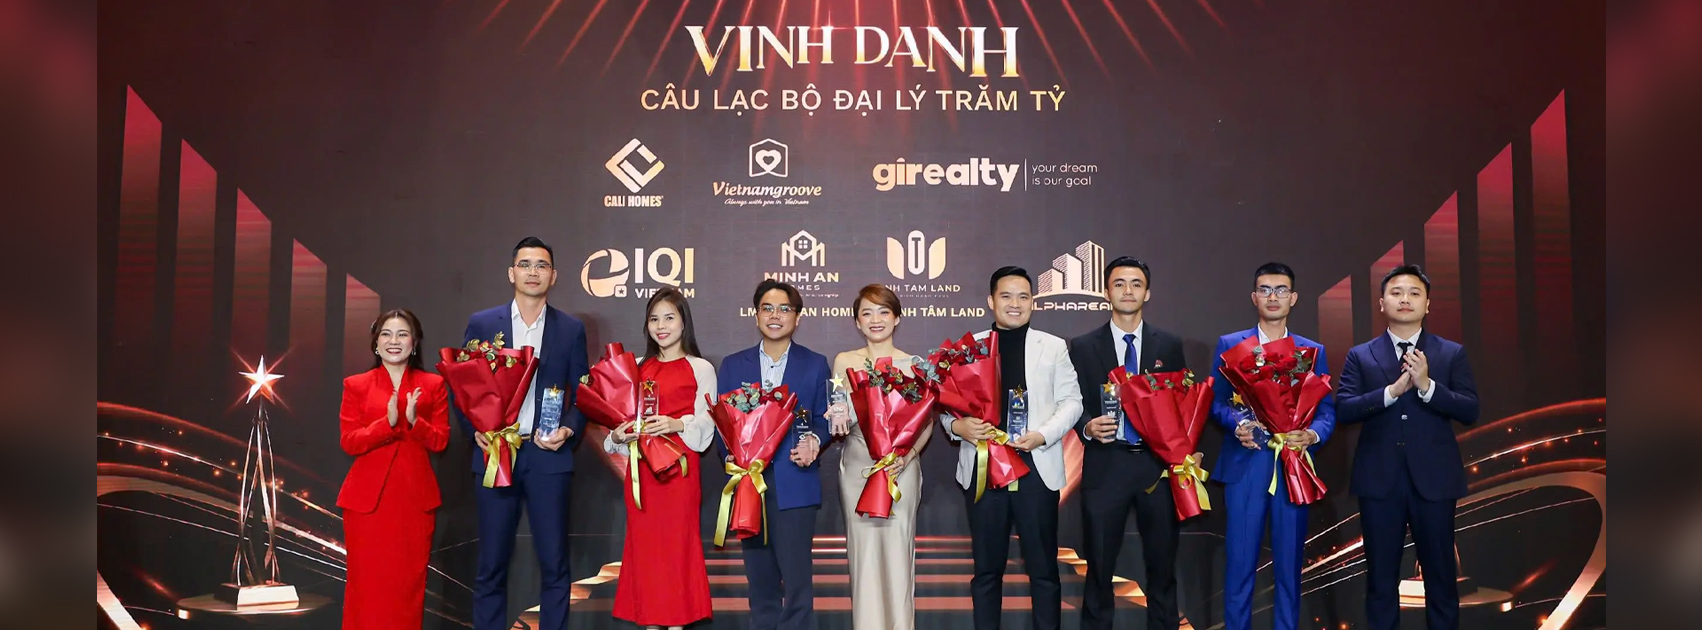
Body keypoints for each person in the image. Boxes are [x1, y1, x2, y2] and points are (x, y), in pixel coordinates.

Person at [1337, 264, 1479, 630]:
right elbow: (1345, 410)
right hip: (1379, 481)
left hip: (1435, 481)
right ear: (1382, 303)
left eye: (1414, 293)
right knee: (1381, 579)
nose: (1405, 299)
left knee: (1441, 577)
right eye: (1396, 292)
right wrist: (1391, 392)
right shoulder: (1361, 355)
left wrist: (1428, 386)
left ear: (1427, 304)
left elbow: (1470, 410)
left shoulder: (1450, 353)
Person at [459, 237, 590, 630]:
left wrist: (569, 428)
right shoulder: (483, 324)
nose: (533, 272)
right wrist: (475, 430)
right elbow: (462, 387)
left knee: (555, 564)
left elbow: (584, 393)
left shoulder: (570, 329)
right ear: (511, 272)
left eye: (542, 265)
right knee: (491, 563)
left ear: (554, 275)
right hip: (497, 452)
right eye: (525, 264)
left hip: (548, 455)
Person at [944, 267, 1082, 630]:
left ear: (1033, 302)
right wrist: (958, 427)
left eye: (1023, 296)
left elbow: (1072, 402)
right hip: (984, 469)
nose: (1015, 304)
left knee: (1044, 571)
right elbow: (944, 406)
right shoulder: (968, 348)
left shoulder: (1053, 346)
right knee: (987, 572)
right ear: (991, 301)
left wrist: (1043, 435)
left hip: (1036, 466)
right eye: (1006, 296)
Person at [1207, 262, 1337, 630]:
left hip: (1292, 467)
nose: (1273, 296)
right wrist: (1239, 424)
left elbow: (1326, 410)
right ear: (1254, 297)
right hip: (1245, 465)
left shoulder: (1311, 350)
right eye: (1265, 289)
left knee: (1289, 566)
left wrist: (1312, 435)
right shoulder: (1232, 345)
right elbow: (1215, 402)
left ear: (1293, 298)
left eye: (1280, 290)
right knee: (1239, 564)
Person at [1065, 256, 1189, 630]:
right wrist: (1087, 427)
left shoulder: (1169, 345)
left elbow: (1182, 403)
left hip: (1156, 466)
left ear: (1147, 293)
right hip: (1107, 464)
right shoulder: (1083, 346)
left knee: (1162, 566)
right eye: (1119, 284)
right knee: (1099, 566)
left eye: (1136, 284)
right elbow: (1072, 402)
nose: (1128, 291)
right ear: (1106, 292)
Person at [715, 280, 831, 630]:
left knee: (798, 587)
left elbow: (825, 418)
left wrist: (815, 441)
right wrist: (730, 458)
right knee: (760, 585)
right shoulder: (733, 365)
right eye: (767, 308)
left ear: (797, 317)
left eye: (784, 309)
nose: (775, 315)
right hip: (749, 486)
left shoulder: (815, 364)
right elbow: (721, 423)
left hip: (795, 484)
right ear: (756, 315)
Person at [825, 284, 934, 630]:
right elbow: (839, 408)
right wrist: (837, 417)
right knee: (864, 556)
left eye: (884, 311)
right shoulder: (845, 361)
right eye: (867, 313)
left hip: (901, 468)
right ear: (857, 322)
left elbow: (926, 423)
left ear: (897, 318)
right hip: (859, 467)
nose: (876, 320)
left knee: (899, 553)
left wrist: (908, 456)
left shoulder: (915, 365)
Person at [606, 286, 715, 629]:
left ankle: (677, 623)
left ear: (684, 322)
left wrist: (676, 423)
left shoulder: (701, 368)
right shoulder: (636, 367)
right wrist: (617, 435)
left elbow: (708, 423)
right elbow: (621, 419)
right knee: (647, 555)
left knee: (676, 552)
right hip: (642, 475)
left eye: (669, 318)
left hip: (679, 474)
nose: (661, 326)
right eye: (654, 319)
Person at [337, 309, 450, 630]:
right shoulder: (356, 384)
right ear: (376, 343)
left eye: (402, 334)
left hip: (413, 503)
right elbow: (349, 441)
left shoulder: (433, 384)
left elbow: (440, 441)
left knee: (406, 589)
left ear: (414, 343)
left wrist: (415, 422)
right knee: (367, 587)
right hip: (367, 505)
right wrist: (385, 425)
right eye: (386, 334)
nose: (394, 341)